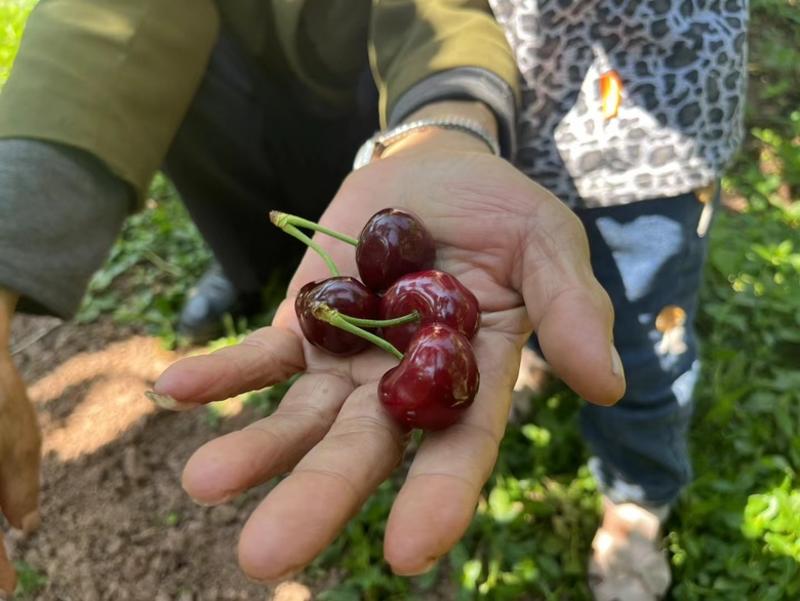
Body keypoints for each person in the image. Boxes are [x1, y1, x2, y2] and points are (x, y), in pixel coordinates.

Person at [0, 1, 745, 599]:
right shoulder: (401, 304)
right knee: (527, 295)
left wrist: (446, 126)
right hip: (509, 116)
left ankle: (639, 494)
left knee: (640, 337)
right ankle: (534, 362)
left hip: (652, 135)